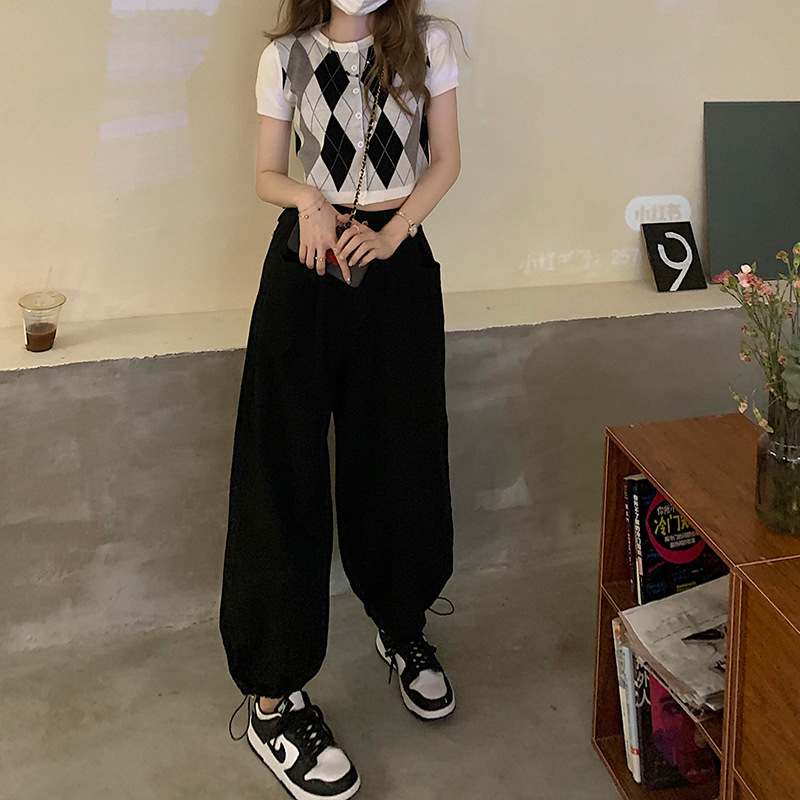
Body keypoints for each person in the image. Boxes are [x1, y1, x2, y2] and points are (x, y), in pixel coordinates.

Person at [219, 1, 462, 797]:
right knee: (281, 464)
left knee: (401, 453)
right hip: (308, 263)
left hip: (395, 264)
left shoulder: (429, 42)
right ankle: (272, 694)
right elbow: (266, 173)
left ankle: (402, 624)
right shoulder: (286, 55)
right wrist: (309, 201)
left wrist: (393, 234)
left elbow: (445, 160)